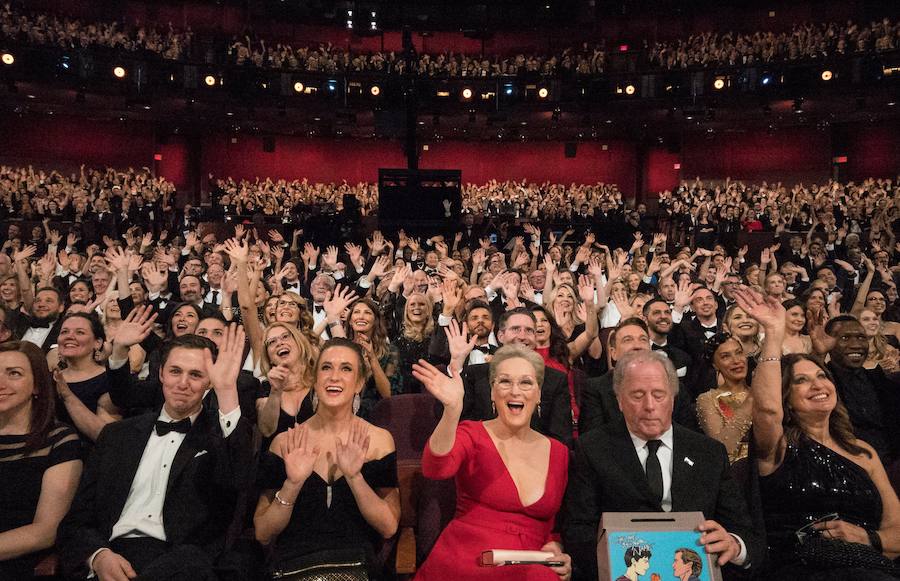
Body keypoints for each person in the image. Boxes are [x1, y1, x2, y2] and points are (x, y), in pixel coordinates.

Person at [58, 326, 254, 580]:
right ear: (161, 373)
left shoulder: (220, 437)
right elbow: (77, 520)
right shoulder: (117, 435)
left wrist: (226, 391)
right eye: (175, 371)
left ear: (209, 382)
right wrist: (98, 556)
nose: (183, 383)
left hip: (182, 562)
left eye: (196, 375)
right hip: (111, 557)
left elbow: (240, 478)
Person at [733, 285, 900, 580]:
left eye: (822, 376)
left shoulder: (864, 452)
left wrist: (867, 538)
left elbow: (896, 532)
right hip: (801, 571)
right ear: (786, 398)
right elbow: (768, 411)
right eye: (801, 381)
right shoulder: (777, 448)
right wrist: (774, 332)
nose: (818, 385)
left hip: (872, 568)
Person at [563, 349, 764, 581]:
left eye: (658, 395)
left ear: (673, 398)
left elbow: (744, 531)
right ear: (619, 400)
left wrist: (735, 545)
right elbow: (578, 531)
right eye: (637, 395)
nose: (649, 405)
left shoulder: (709, 453)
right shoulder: (593, 449)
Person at [411, 345, 572, 580]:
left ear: (539, 394)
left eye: (526, 383)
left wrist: (556, 550)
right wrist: (452, 411)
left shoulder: (559, 452)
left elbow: (552, 526)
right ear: (492, 393)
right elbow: (435, 468)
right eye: (505, 382)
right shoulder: (472, 433)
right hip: (467, 561)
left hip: (528, 567)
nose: (515, 391)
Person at [253, 338, 400, 579]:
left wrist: (355, 478)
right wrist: (292, 484)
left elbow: (388, 527)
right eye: (326, 367)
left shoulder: (379, 441)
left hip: (357, 570)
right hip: (295, 569)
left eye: (346, 369)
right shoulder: (285, 442)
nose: (334, 377)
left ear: (359, 383)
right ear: (315, 378)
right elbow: (263, 532)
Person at [0, 341, 83, 579]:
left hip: (19, 561)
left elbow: (45, 532)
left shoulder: (59, 440)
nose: (1, 383)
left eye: (14, 373)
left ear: (37, 385)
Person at [50, 312, 122, 442]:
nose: (69, 336)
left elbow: (108, 438)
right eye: (64, 332)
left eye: (80, 332)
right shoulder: (49, 379)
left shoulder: (110, 380)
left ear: (97, 343)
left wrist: (67, 395)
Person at [695, 334, 753, 464]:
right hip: (732, 471)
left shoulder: (763, 395)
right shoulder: (707, 399)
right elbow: (722, 448)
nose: (736, 360)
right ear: (715, 365)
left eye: (739, 353)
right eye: (726, 356)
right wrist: (752, 399)